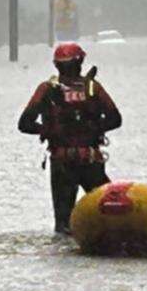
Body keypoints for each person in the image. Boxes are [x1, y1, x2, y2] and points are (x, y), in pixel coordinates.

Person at [18, 43, 121, 233]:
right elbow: (115, 119)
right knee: (110, 211)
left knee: (63, 222)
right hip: (90, 160)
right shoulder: (92, 88)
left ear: (56, 65)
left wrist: (47, 131)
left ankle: (67, 251)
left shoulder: (47, 89)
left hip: (62, 162)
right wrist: (94, 130)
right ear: (80, 61)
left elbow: (24, 123)